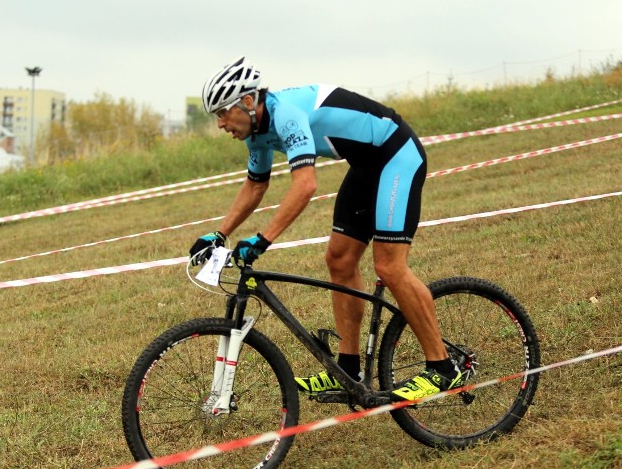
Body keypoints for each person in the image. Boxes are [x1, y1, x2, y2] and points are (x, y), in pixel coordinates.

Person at [189, 56, 464, 403]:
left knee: (390, 266)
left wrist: (263, 239)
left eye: (222, 113)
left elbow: (305, 185)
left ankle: (443, 369)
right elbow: (256, 185)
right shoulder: (256, 134)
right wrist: (219, 233)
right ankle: (348, 370)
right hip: (366, 165)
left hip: (396, 155)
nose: (219, 124)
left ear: (247, 102)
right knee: (339, 259)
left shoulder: (286, 113)